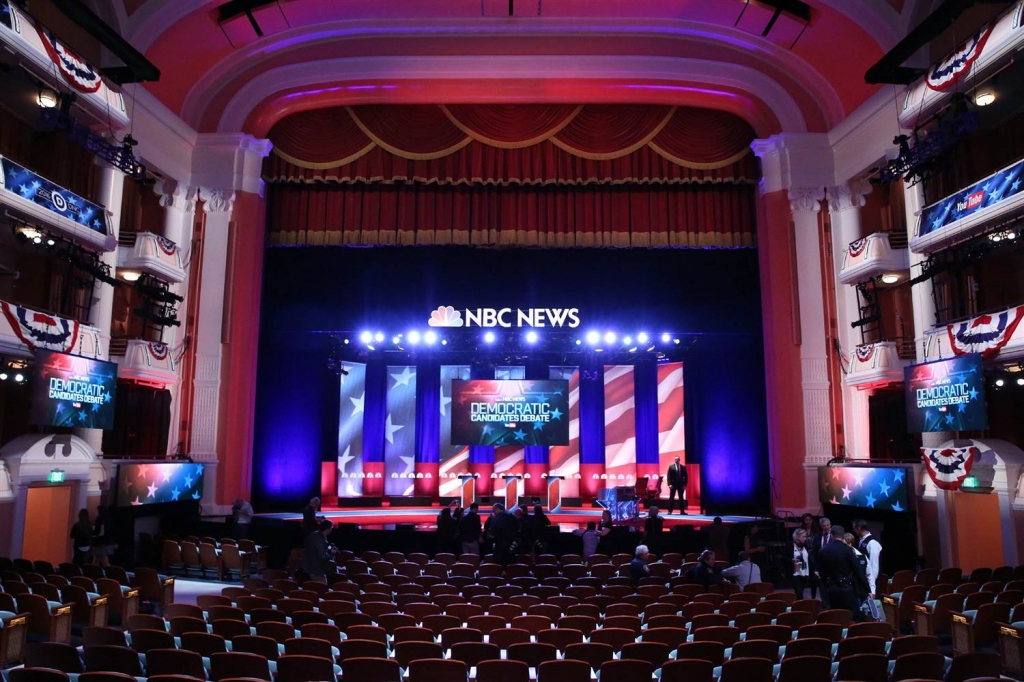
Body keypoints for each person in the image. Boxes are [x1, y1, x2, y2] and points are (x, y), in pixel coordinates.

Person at [816, 525, 869, 621]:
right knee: (852, 617)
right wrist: (867, 589)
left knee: (835, 617)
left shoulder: (823, 550)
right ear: (843, 536)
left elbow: (821, 572)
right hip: (846, 589)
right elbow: (858, 571)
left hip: (830, 590)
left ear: (831, 535)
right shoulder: (848, 550)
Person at [853, 519, 882, 597]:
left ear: (858, 528)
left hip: (870, 582)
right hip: (862, 581)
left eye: (854, 528)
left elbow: (874, 565)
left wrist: (872, 587)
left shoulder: (872, 543)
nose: (854, 531)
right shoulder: (858, 541)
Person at [808, 516, 832, 605]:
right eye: (824, 526)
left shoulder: (834, 536)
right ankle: (825, 607)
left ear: (830, 525)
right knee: (822, 589)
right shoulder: (817, 537)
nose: (826, 527)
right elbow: (814, 553)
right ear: (821, 526)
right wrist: (815, 569)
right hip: (821, 568)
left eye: (827, 525)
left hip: (832, 567)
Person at [791, 528, 811, 598]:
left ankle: (798, 606)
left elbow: (809, 558)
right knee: (799, 592)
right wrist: (792, 560)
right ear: (797, 536)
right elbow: (785, 558)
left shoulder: (805, 545)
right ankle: (799, 606)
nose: (805, 538)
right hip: (795, 573)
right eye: (803, 536)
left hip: (805, 572)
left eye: (806, 536)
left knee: (800, 592)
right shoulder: (790, 545)